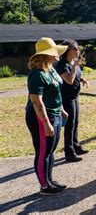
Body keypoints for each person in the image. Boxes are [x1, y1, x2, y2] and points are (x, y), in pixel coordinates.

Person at [26, 37, 69, 195]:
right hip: (41, 117)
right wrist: (46, 123)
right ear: (46, 55)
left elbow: (55, 93)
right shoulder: (37, 75)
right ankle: (44, 186)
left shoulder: (51, 69)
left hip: (55, 114)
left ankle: (49, 179)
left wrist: (62, 109)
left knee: (51, 150)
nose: (57, 54)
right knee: (43, 151)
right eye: (54, 52)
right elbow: (37, 102)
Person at [55, 40, 89, 162]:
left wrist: (82, 79)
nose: (78, 50)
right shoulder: (62, 64)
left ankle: (76, 147)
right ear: (68, 50)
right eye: (75, 48)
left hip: (75, 97)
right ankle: (69, 153)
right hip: (66, 98)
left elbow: (75, 76)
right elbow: (69, 80)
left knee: (75, 123)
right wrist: (74, 67)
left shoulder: (73, 62)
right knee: (69, 125)